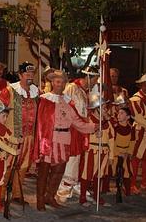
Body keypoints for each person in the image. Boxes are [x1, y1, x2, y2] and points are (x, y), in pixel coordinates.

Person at [33, 70, 96, 211]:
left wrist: (94, 127)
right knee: (44, 172)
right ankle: (40, 199)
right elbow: (41, 125)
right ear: (52, 82)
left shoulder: (69, 102)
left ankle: (50, 196)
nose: (59, 84)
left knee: (59, 171)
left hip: (64, 140)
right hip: (49, 141)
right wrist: (42, 143)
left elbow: (77, 122)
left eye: (62, 82)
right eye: (56, 81)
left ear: (64, 84)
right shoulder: (45, 99)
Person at [0, 61, 39, 204]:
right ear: (20, 75)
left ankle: (17, 194)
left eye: (32, 73)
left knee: (23, 167)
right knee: (8, 166)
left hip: (29, 137)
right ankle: (1, 194)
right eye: (27, 73)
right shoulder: (9, 91)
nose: (30, 76)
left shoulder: (36, 92)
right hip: (12, 137)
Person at [57, 66, 99, 203]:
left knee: (79, 158)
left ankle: (74, 184)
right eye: (94, 79)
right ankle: (63, 189)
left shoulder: (84, 91)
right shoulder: (71, 88)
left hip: (81, 129)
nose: (95, 82)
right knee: (71, 159)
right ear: (88, 77)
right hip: (72, 129)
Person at [78, 92, 115, 207]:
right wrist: (93, 133)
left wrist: (111, 155)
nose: (106, 110)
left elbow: (111, 139)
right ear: (96, 109)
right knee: (87, 174)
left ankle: (96, 196)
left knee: (99, 175)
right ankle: (83, 197)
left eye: (105, 107)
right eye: (103, 107)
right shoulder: (88, 120)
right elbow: (82, 134)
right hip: (92, 150)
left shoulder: (107, 122)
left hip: (104, 151)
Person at [111, 107, 135, 197]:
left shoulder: (131, 128)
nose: (119, 115)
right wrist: (117, 153)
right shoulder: (115, 127)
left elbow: (132, 142)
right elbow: (112, 142)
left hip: (125, 154)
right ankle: (104, 189)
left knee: (126, 172)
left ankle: (128, 191)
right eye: (118, 113)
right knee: (110, 171)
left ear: (128, 117)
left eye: (122, 113)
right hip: (115, 153)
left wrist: (128, 153)